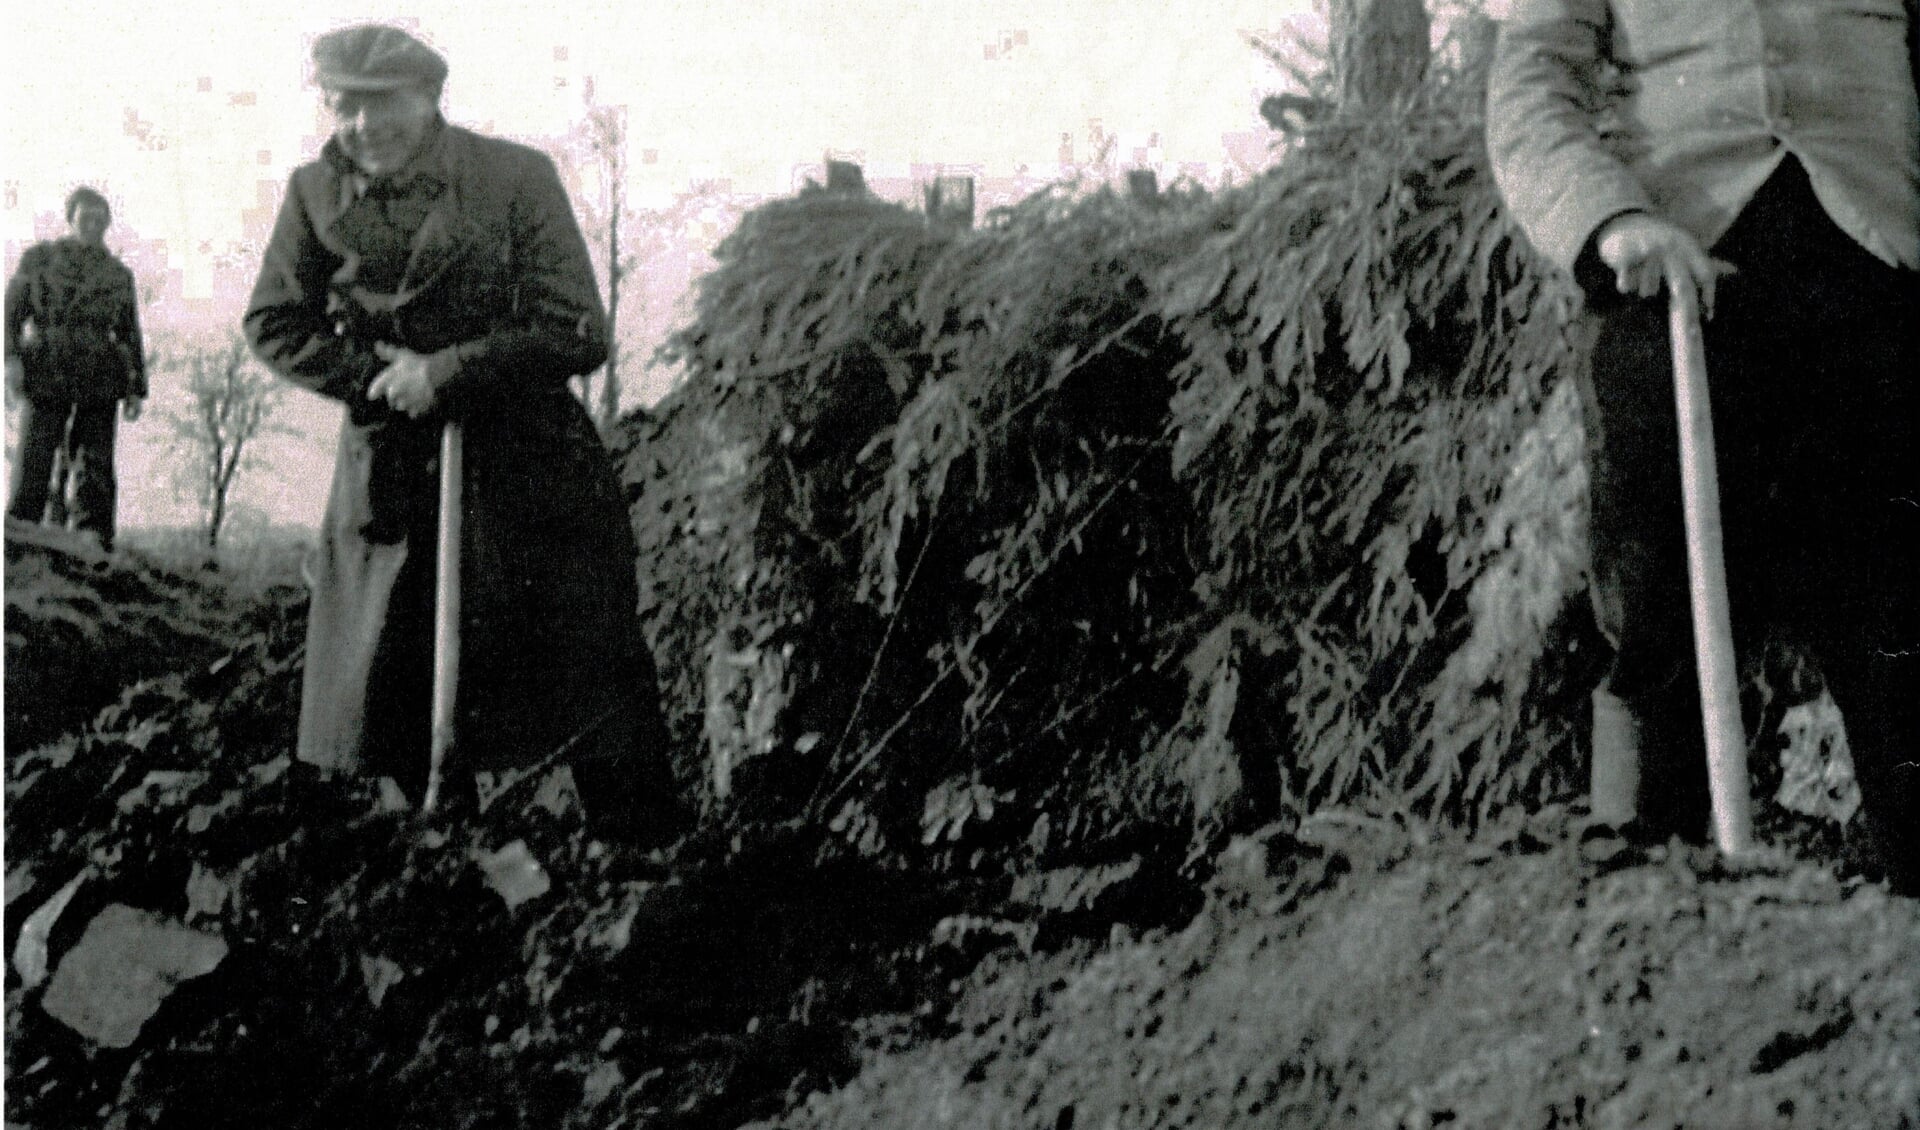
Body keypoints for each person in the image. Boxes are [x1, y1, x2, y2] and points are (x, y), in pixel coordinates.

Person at [1487, 1, 1919, 889]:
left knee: (1902, 624)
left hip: (1875, 278)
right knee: (1661, 617)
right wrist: (1609, 222)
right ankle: (1646, 929)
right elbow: (1532, 86)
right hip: (1675, 276)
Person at [245, 24, 682, 844]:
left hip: (528, 461)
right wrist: (376, 380)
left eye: (384, 105)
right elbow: (272, 321)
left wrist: (445, 371)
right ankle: (452, 873)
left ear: (429, 98)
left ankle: (643, 867)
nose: (365, 127)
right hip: (394, 469)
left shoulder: (514, 178)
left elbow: (577, 327)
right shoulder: (312, 193)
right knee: (397, 685)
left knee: (588, 671)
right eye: (346, 107)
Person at [5, 187, 147, 550]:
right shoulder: (40, 260)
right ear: (71, 218)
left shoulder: (118, 275)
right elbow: (11, 314)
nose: (93, 225)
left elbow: (130, 333)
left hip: (99, 367)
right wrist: (11, 360)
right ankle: (21, 528)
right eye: (86, 217)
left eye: (100, 220)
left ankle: (93, 536)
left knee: (95, 457)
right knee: (36, 448)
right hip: (48, 362)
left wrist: (135, 388)